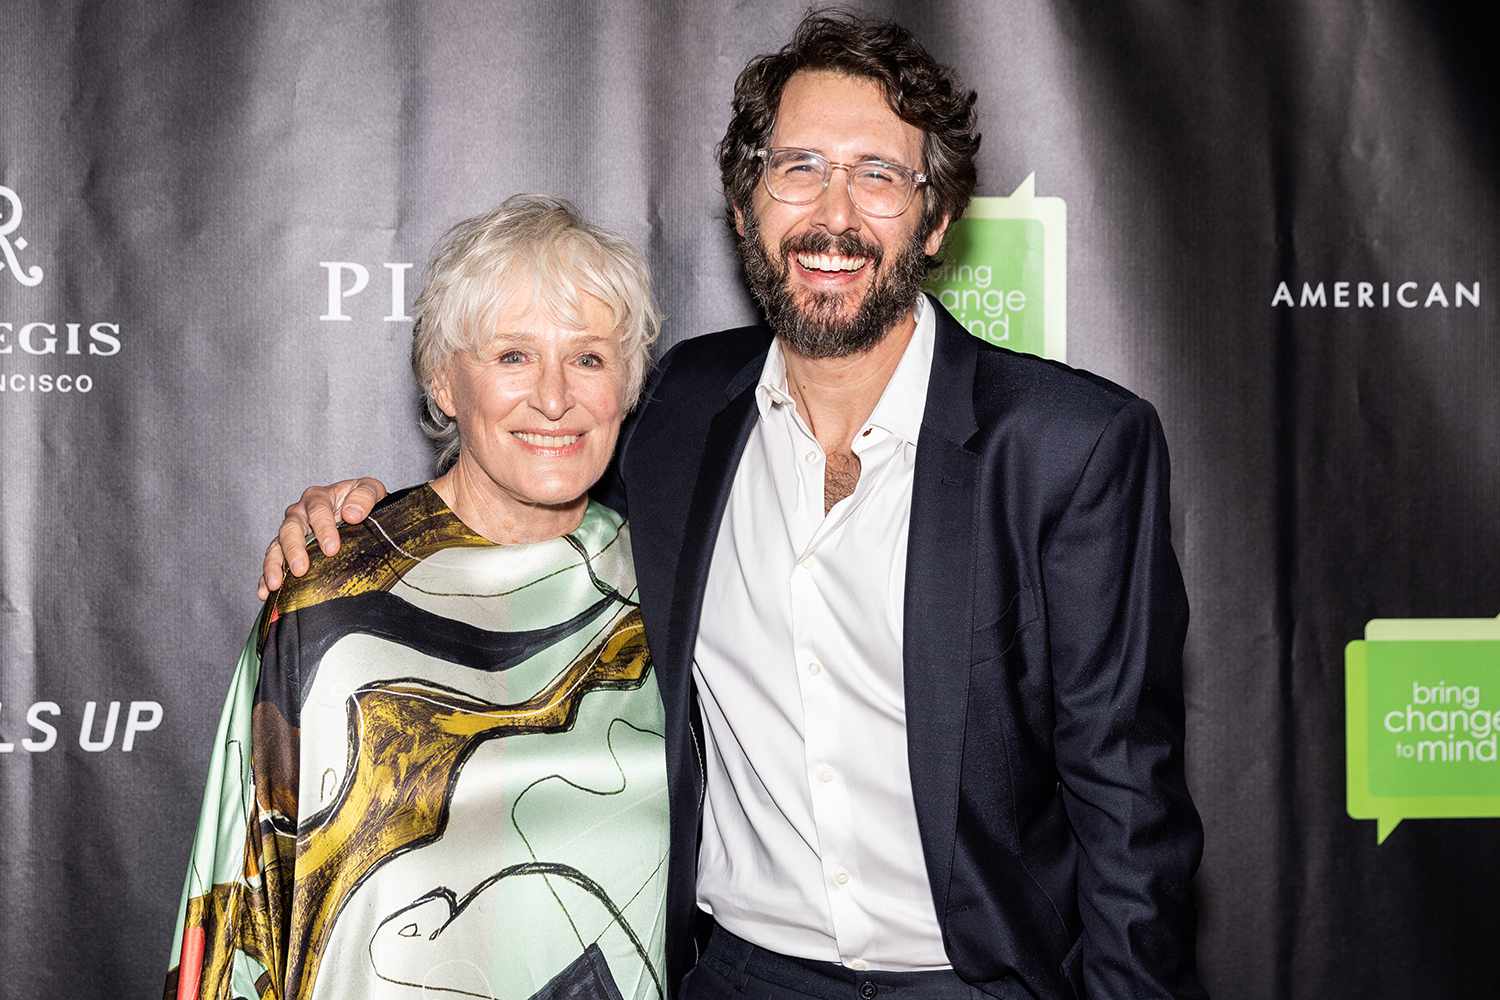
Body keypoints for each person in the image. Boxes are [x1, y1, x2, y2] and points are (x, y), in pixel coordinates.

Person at [261, 12, 1206, 1000]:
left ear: (933, 221)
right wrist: (374, 520)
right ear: (748, 203)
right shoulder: (678, 409)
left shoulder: (1071, 446)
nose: (832, 214)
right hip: (740, 976)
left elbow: (1128, 810)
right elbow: (530, 493)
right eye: (799, 167)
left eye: (878, 175)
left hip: (975, 981)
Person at [165, 195, 669, 1000]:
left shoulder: (672, 590)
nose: (553, 397)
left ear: (628, 383)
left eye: (588, 358)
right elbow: (239, 906)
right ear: (443, 380)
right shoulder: (328, 597)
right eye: (511, 356)